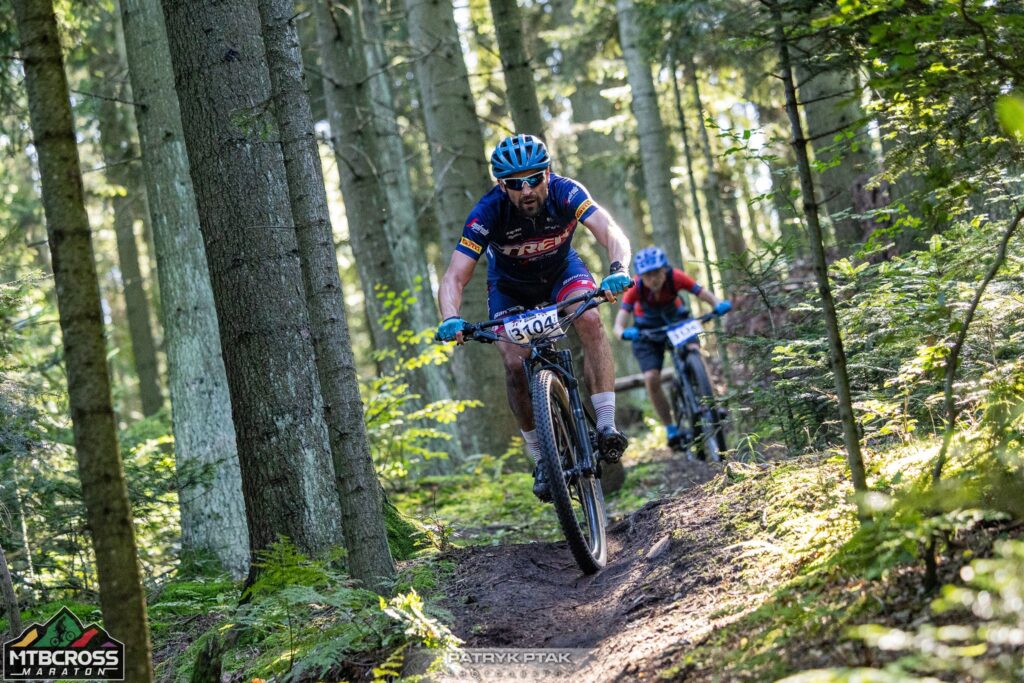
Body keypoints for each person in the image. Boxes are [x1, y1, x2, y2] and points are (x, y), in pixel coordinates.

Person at [436, 134, 632, 501]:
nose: (526, 190)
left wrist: (618, 268)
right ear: (501, 185)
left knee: (590, 319)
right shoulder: (487, 212)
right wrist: (451, 317)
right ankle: (542, 459)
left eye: (534, 179)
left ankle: (606, 426)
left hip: (562, 273)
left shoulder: (565, 192)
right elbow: (454, 276)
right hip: (510, 288)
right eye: (515, 183)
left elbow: (609, 230)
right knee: (514, 362)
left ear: (548, 173)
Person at [612, 246, 732, 448]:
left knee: (695, 352)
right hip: (647, 332)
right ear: (641, 276)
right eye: (648, 275)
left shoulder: (675, 277)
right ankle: (671, 428)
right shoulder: (635, 287)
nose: (653, 279)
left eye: (657, 273)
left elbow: (702, 292)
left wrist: (717, 304)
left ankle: (710, 402)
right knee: (651, 377)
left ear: (664, 270)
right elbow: (618, 325)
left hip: (678, 322)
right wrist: (624, 332)